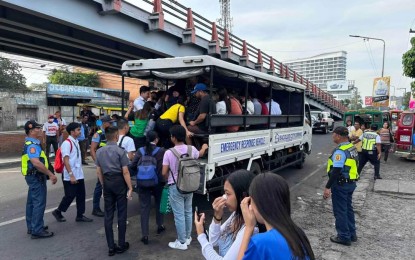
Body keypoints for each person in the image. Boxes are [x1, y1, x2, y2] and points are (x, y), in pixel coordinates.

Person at [237, 173, 314, 260]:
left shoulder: (261, 243)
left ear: (259, 203)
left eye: (251, 200)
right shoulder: (298, 234)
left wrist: (249, 227)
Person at [162, 125, 208, 250]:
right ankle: (187, 238)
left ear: (174, 138)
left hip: (175, 186)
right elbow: (200, 154)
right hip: (190, 185)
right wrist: (204, 147)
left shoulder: (169, 153)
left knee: (179, 215)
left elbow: (164, 172)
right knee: (188, 212)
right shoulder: (191, 149)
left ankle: (181, 242)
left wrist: (168, 179)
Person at [194, 170, 258, 259]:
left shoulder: (250, 228)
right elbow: (214, 242)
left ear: (243, 196)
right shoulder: (237, 215)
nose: (224, 197)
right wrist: (217, 217)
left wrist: (201, 235)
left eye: (228, 194)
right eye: (224, 193)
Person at [96, 126, 133, 256]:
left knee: (108, 214)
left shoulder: (100, 152)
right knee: (122, 213)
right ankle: (122, 244)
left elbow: (98, 171)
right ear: (116, 136)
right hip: (119, 182)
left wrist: (102, 184)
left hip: (107, 182)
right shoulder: (120, 151)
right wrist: (130, 187)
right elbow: (125, 171)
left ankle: (111, 247)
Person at [323, 126, 359, 246]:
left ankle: (344, 236)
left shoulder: (340, 151)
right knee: (348, 209)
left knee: (340, 211)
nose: (332, 136)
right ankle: (352, 234)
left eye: (333, 134)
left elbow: (336, 170)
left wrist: (328, 187)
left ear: (338, 136)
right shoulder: (351, 147)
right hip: (350, 183)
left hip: (341, 184)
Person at [22, 120, 57, 239]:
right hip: (36, 177)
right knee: (39, 203)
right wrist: (50, 174)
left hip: (33, 176)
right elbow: (36, 163)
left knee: (32, 203)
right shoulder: (32, 145)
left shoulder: (32, 143)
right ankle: (37, 229)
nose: (40, 130)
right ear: (31, 131)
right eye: (37, 128)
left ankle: (33, 226)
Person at [129, 131, 166, 245]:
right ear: (156, 139)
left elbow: (133, 166)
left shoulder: (140, 151)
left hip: (143, 183)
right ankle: (160, 225)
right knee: (159, 204)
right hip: (158, 182)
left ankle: (145, 235)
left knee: (144, 208)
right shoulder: (161, 151)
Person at [52, 123, 93, 223]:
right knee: (70, 195)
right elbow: (65, 160)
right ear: (72, 132)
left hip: (78, 174)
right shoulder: (67, 143)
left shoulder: (76, 141)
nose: (80, 131)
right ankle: (58, 211)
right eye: (78, 130)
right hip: (70, 175)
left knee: (81, 195)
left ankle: (80, 215)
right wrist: (71, 175)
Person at [90, 115, 114, 217]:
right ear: (104, 123)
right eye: (110, 122)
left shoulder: (110, 133)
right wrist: (98, 163)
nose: (111, 124)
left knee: (111, 185)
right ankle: (95, 208)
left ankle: (111, 206)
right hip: (103, 165)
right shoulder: (98, 134)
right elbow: (92, 150)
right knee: (100, 186)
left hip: (111, 164)